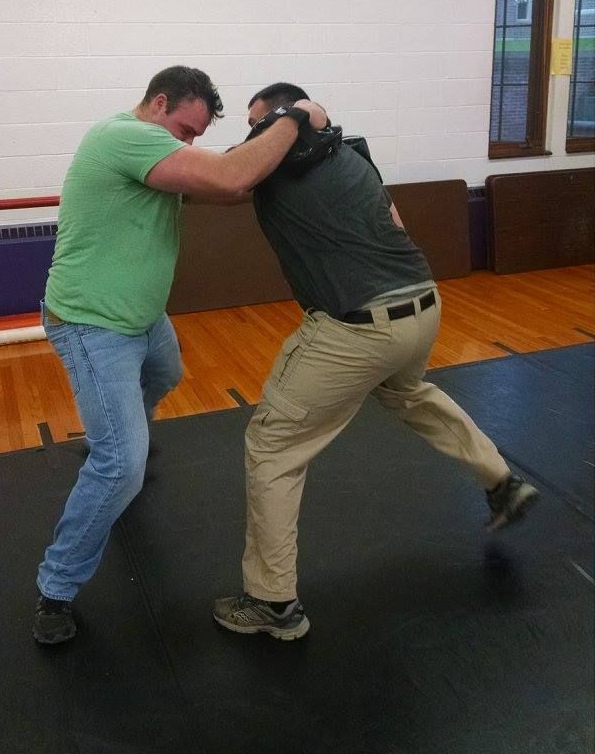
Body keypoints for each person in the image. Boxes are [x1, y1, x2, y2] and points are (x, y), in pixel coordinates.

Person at [213, 82, 539, 642]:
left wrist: (289, 119)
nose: (254, 135)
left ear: (286, 122)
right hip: (422, 305)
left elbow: (227, 179)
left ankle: (271, 601)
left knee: (272, 446)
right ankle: (501, 482)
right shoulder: (351, 154)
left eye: (259, 124)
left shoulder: (282, 152)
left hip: (355, 326)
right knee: (408, 392)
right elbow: (396, 224)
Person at [33, 66, 326, 644]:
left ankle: (118, 435)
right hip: (93, 322)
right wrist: (294, 117)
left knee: (167, 372)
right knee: (121, 466)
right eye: (185, 129)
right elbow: (228, 176)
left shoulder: (160, 149)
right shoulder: (123, 137)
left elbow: (235, 185)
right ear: (159, 102)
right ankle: (55, 590)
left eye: (196, 136)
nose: (188, 142)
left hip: (142, 318)